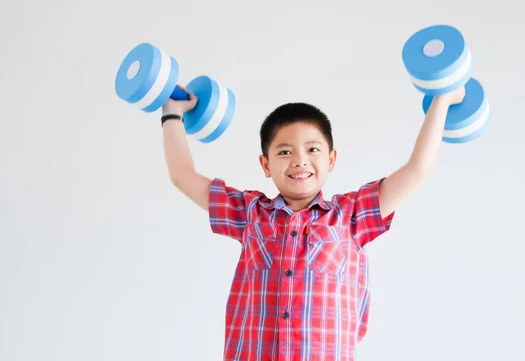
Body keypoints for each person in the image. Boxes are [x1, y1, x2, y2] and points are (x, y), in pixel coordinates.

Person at [161, 86, 465, 360]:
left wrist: (442, 98)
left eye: (312, 149)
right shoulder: (249, 214)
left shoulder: (352, 216)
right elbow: (182, 175)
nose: (300, 160)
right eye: (284, 152)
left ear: (331, 160)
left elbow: (418, 169)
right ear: (265, 165)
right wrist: (172, 113)